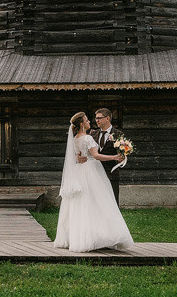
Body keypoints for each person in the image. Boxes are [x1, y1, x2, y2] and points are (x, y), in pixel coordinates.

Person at [54, 112, 133, 252]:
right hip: (91, 172)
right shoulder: (88, 137)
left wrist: (79, 158)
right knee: (98, 203)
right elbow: (95, 156)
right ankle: (99, 237)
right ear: (81, 124)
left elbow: (76, 157)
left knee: (82, 205)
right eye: (86, 120)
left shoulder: (75, 139)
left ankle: (79, 237)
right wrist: (115, 157)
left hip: (79, 172)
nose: (90, 121)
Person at [92, 107, 123, 204]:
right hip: (95, 174)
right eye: (96, 118)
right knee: (97, 203)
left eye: (99, 118)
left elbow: (122, 154)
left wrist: (121, 158)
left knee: (112, 203)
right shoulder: (93, 134)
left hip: (111, 174)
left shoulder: (118, 134)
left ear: (107, 118)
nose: (96, 120)